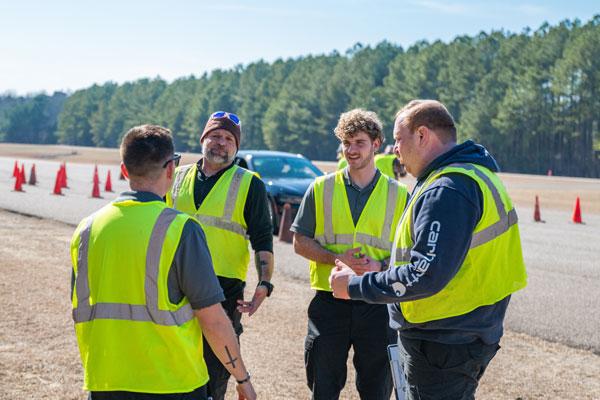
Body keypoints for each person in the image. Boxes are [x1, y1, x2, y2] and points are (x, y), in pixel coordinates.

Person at [330, 100, 527, 400]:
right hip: (465, 331)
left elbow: (425, 274)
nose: (395, 150)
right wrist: (383, 269)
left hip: (442, 341)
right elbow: (445, 259)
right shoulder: (472, 174)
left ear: (422, 135)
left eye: (399, 139)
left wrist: (353, 286)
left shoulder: (447, 189)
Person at [70, 125, 256, 400]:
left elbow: (82, 305)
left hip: (105, 381)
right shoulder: (181, 229)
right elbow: (213, 321)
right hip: (172, 384)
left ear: (124, 170)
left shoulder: (86, 230)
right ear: (171, 169)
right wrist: (243, 379)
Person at [292, 109, 409, 399]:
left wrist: (380, 266)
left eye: (359, 142)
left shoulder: (399, 195)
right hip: (329, 302)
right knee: (323, 386)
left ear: (376, 144)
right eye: (346, 143)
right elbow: (299, 241)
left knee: (377, 389)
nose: (351, 150)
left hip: (378, 301)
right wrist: (337, 259)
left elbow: (409, 253)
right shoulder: (320, 188)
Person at [166, 111, 274, 400]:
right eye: (215, 135)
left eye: (229, 139)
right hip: (173, 283)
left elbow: (263, 239)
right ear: (203, 139)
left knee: (215, 368)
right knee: (171, 363)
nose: (221, 143)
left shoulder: (250, 184)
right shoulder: (175, 177)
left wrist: (265, 283)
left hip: (223, 288)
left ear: (236, 146)